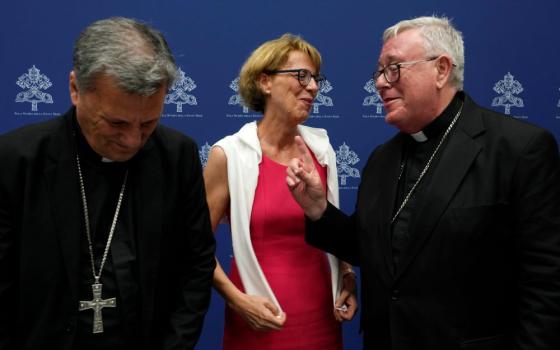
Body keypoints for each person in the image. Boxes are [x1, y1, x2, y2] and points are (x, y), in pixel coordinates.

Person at [287, 16, 560, 350]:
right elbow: (369, 250)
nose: (380, 83)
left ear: (442, 69)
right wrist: (317, 209)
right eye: (379, 71)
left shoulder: (518, 149)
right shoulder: (381, 160)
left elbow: (546, 284)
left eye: (394, 68)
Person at [0, 17, 216, 350]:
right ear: (75, 89)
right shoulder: (16, 160)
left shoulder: (177, 156)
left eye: (148, 123)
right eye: (116, 123)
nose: (132, 140)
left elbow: (196, 264)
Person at [203, 34, 357, 350]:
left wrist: (347, 274)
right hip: (258, 322)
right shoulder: (228, 155)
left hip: (322, 321)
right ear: (265, 82)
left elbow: (333, 228)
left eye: (315, 78)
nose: (313, 87)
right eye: (301, 75)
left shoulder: (323, 149)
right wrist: (236, 300)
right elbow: (194, 247)